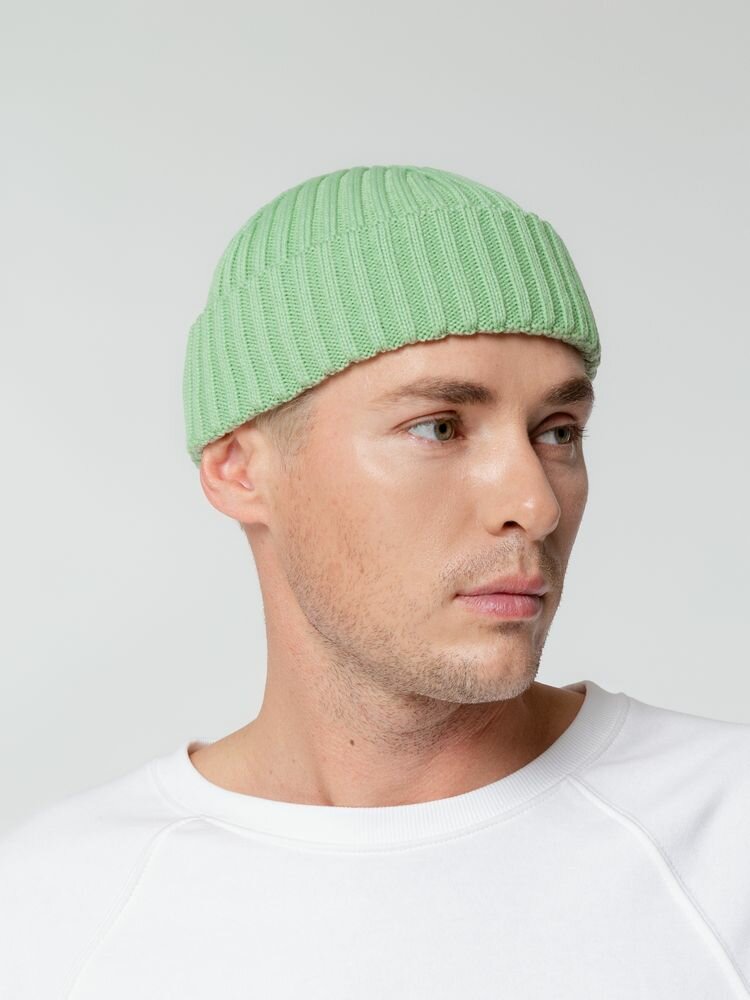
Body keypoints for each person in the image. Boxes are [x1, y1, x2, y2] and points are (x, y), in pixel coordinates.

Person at [1, 164, 748, 999]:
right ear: (239, 470)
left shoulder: (728, 837)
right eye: (439, 427)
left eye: (558, 431)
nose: (535, 505)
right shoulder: (54, 912)